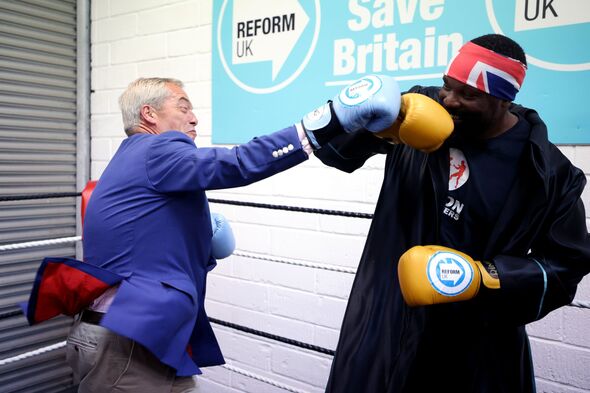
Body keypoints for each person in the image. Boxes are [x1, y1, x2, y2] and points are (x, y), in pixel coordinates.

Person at [23, 75, 412, 392]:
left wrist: (195, 236)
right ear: (149, 114)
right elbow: (239, 162)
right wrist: (327, 121)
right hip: (127, 345)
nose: (194, 118)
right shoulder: (156, 151)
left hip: (136, 338)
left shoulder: (130, 159)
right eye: (183, 106)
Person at [315, 34, 590, 392]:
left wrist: (484, 276)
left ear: (503, 100)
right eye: (448, 86)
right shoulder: (419, 106)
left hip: (476, 351)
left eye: (468, 95)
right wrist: (378, 127)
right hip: (386, 327)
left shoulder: (550, 172)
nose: (450, 99)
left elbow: (565, 266)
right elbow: (332, 150)